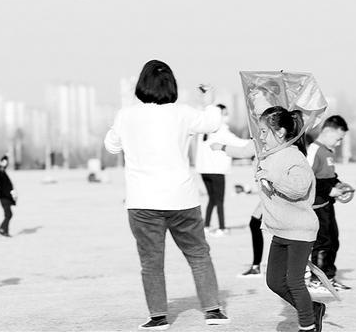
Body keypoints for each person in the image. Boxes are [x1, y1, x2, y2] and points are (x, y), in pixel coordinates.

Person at [103, 60, 230, 330]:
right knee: (198, 255)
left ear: (142, 85)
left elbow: (111, 146)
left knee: (151, 262)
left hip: (142, 202)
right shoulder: (182, 113)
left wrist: (121, 124)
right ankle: (213, 310)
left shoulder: (126, 115)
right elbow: (212, 122)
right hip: (182, 199)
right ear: (172, 85)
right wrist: (209, 101)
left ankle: (158, 316)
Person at [216, 106, 324, 332]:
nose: (261, 136)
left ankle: (308, 326)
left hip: (300, 229)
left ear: (281, 132)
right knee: (274, 281)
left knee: (294, 282)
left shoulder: (294, 156)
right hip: (279, 229)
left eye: (264, 131)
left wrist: (271, 177)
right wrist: (225, 148)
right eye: (260, 131)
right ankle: (312, 309)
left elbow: (298, 188)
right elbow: (248, 152)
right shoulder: (267, 154)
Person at [306, 115, 354, 292]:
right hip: (316, 206)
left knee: (333, 240)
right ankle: (316, 280)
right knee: (322, 243)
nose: (339, 143)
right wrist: (328, 190)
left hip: (327, 205)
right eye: (338, 139)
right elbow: (306, 179)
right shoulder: (314, 150)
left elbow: (329, 177)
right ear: (327, 131)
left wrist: (338, 185)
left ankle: (329, 277)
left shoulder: (328, 152)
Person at [195, 103, 249, 237]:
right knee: (219, 200)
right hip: (217, 170)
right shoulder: (222, 130)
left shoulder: (203, 131)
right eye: (224, 113)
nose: (226, 116)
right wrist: (255, 142)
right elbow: (240, 143)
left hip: (204, 170)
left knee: (212, 199)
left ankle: (206, 226)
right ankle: (221, 228)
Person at [0, 156, 17, 237]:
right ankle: (2, 229)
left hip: (6, 197)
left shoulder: (1, 173)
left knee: (8, 214)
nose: (1, 167)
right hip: (4, 198)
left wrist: (5, 159)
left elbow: (4, 166)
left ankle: (4, 230)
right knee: (8, 214)